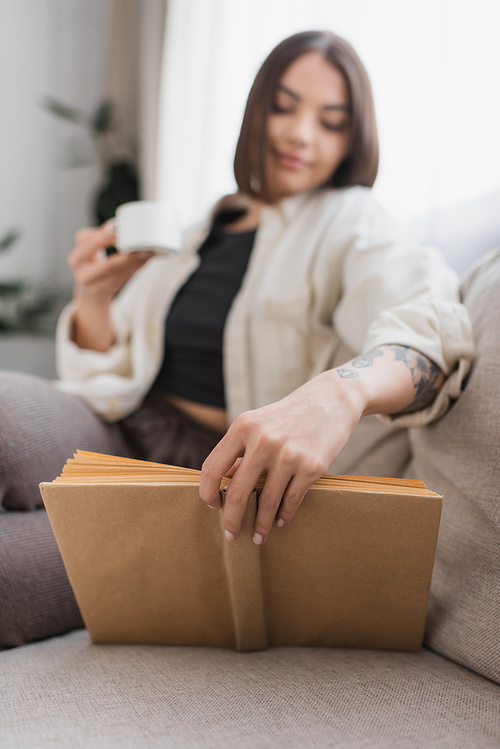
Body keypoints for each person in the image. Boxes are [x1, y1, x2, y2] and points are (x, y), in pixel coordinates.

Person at [55, 31, 474, 547]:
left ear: (353, 138)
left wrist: (340, 393)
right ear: (257, 113)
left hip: (214, 477)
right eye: (284, 108)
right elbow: (108, 373)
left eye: (331, 121)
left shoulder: (351, 219)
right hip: (121, 434)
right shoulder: (199, 232)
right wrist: (94, 299)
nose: (301, 134)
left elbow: (430, 331)